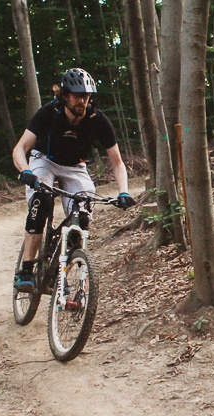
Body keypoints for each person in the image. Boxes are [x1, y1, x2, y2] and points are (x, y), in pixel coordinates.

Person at [12, 68, 135, 291]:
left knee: (83, 217)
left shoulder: (97, 120)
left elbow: (117, 163)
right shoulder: (49, 112)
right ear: (65, 95)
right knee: (41, 202)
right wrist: (25, 170)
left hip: (75, 167)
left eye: (86, 96)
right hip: (44, 160)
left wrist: (123, 192)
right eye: (77, 96)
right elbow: (19, 148)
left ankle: (59, 273)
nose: (82, 101)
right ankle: (26, 270)